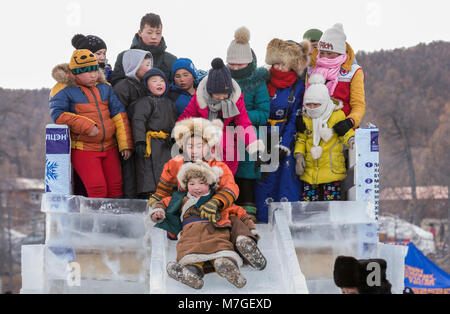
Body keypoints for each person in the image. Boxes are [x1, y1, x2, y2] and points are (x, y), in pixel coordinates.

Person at [147, 117, 266, 270]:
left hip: (213, 205)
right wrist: (159, 204)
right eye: (190, 146)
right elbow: (164, 189)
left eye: (199, 146)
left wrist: (216, 201)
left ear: (209, 146)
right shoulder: (174, 164)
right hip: (189, 207)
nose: (194, 150)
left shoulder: (217, 165)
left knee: (232, 217)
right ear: (182, 146)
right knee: (197, 230)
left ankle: (245, 243)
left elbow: (230, 187)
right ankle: (199, 262)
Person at [150, 160, 259, 289]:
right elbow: (162, 203)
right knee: (190, 256)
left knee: (222, 250)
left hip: (214, 232)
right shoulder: (180, 199)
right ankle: (191, 273)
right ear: (185, 185)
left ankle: (228, 267)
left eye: (202, 183)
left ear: (210, 184)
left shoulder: (216, 200)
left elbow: (238, 211)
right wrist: (158, 211)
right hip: (190, 236)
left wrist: (250, 228)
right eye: (192, 183)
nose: (197, 187)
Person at [49, 49, 133, 198]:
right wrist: (87, 126)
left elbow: (118, 114)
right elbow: (58, 115)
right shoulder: (63, 89)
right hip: (84, 149)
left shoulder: (105, 87)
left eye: (95, 70)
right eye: (87, 71)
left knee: (116, 189)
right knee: (98, 189)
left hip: (110, 147)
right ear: (75, 73)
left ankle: (114, 222)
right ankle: (98, 222)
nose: (93, 75)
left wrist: (125, 143)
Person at [254, 38, 310, 223]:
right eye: (275, 62)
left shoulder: (298, 86)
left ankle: (289, 225)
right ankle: (263, 223)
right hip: (262, 136)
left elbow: (295, 117)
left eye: (283, 63)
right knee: (263, 182)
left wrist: (284, 145)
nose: (278, 67)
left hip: (286, 135)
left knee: (286, 180)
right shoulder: (262, 80)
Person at [178, 57, 265, 175]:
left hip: (227, 150)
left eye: (225, 95)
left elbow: (244, 123)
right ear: (209, 91)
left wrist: (254, 147)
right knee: (203, 184)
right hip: (203, 148)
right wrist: (179, 136)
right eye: (218, 95)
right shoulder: (199, 99)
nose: (222, 98)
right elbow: (186, 118)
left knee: (225, 184)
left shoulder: (236, 100)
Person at [226, 26, 270, 220]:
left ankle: (249, 211)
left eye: (239, 64)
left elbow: (263, 113)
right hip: (227, 133)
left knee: (246, 169)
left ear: (248, 62)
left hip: (249, 134)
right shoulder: (224, 80)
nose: (235, 68)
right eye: (232, 64)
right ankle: (229, 208)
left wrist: (241, 116)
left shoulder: (257, 83)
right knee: (227, 171)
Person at [294, 74, 354, 201]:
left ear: (324, 102)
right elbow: (301, 139)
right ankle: (310, 219)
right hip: (311, 169)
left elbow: (345, 133)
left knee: (332, 204)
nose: (311, 108)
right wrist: (299, 156)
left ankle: (333, 219)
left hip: (331, 167)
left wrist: (351, 140)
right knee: (309, 204)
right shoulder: (305, 118)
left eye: (315, 104)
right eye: (308, 104)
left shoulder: (336, 116)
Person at [306, 23, 366, 137]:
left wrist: (350, 121)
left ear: (340, 52)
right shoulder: (313, 69)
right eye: (322, 53)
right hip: (316, 129)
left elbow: (358, 105)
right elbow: (307, 99)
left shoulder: (353, 71)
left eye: (329, 53)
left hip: (343, 130)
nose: (325, 57)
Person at [113, 49, 153, 198]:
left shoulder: (146, 86)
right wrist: (126, 143)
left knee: (141, 178)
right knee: (129, 179)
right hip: (128, 142)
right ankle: (128, 212)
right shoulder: (123, 87)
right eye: (146, 65)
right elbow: (119, 118)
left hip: (142, 140)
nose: (150, 68)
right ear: (134, 66)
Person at [132, 68, 177, 198]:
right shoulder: (144, 102)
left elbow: (175, 122)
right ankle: (150, 196)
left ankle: (167, 196)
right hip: (150, 145)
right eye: (154, 80)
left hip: (166, 145)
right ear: (146, 85)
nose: (159, 83)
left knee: (167, 171)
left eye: (162, 81)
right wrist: (139, 141)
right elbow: (138, 121)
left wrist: (174, 136)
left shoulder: (170, 103)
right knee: (149, 173)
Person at [111, 13, 177, 85]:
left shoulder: (171, 60)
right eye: (150, 32)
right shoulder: (124, 56)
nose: (154, 36)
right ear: (140, 32)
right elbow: (117, 85)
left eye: (158, 33)